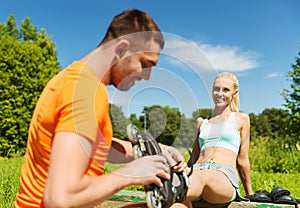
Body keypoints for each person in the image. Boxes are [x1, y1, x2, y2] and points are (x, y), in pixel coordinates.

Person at [15, 9, 186, 208]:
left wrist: (160, 150)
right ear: (122, 49)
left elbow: (96, 148)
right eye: (145, 64)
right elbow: (60, 199)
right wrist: (130, 174)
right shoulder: (85, 91)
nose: (146, 76)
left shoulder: (74, 79)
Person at [171, 72, 253, 207]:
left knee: (201, 177)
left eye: (226, 90)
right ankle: (175, 189)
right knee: (176, 205)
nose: (220, 93)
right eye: (216, 89)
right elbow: (195, 156)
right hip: (197, 171)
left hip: (223, 176)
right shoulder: (201, 122)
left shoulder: (241, 119)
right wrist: (184, 170)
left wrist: (250, 195)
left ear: (234, 93)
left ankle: (173, 189)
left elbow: (242, 159)